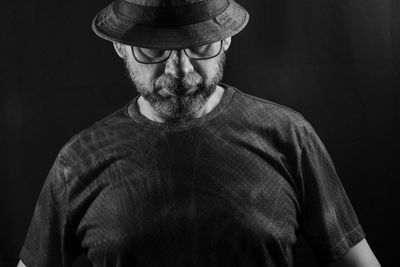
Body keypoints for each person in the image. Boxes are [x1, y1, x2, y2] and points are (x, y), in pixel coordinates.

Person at [18, 0, 381, 266]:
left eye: (199, 45)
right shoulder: (80, 159)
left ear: (225, 39)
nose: (180, 70)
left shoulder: (288, 135)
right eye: (154, 50)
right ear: (121, 47)